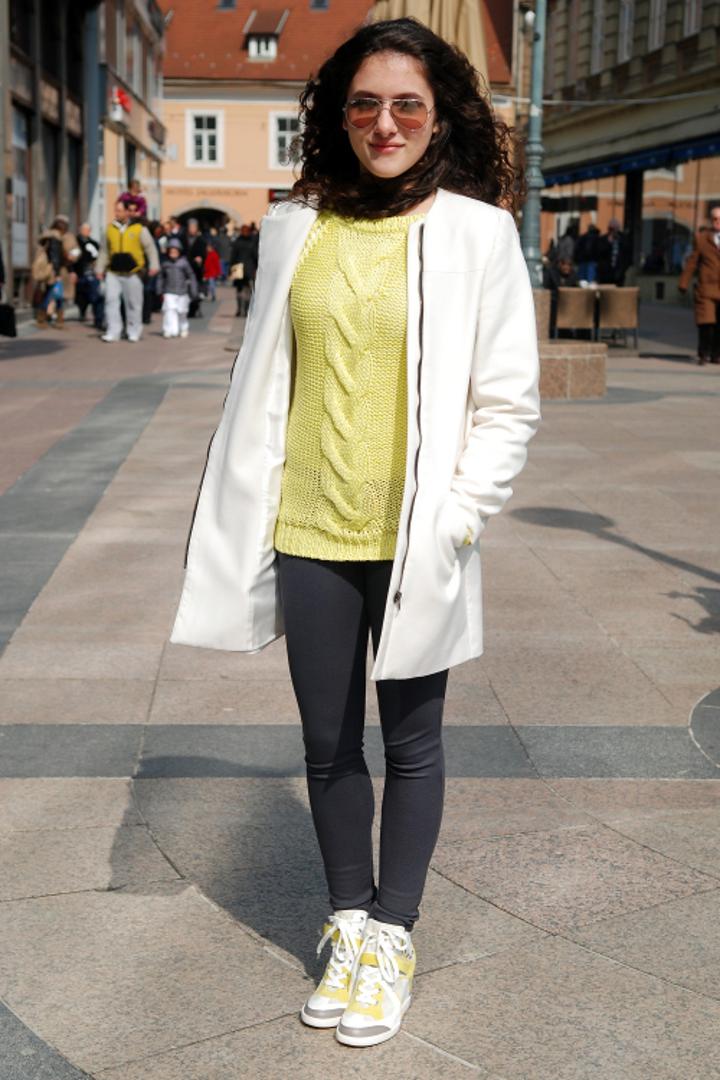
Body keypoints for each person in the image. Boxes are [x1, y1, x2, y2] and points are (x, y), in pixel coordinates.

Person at [169, 17, 540, 1048]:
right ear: (340, 116)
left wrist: (459, 516)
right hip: (310, 529)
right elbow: (264, 377)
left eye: (407, 104)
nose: (386, 123)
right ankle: (347, 923)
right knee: (328, 744)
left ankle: (394, 934)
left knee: (412, 743)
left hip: (418, 535)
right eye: (366, 104)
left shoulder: (477, 233)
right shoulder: (296, 225)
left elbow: (508, 402)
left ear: (441, 116)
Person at [97, 199, 159, 343]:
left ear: (126, 212)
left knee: (133, 303)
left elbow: (150, 248)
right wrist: (99, 268)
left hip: (133, 272)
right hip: (113, 272)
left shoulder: (139, 229)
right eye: (115, 210)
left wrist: (154, 265)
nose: (116, 213)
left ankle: (133, 331)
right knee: (111, 301)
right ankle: (113, 331)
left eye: (119, 210)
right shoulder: (109, 229)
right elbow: (104, 251)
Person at [678, 206, 720, 365]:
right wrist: (683, 283)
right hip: (706, 288)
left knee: (718, 325)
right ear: (710, 220)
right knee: (706, 322)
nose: (717, 222)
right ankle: (703, 354)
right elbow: (692, 263)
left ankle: (716, 355)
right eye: (714, 219)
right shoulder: (702, 239)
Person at [156, 237, 197, 338]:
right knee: (169, 310)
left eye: (175, 251)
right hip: (169, 291)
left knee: (182, 311)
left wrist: (193, 289)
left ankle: (183, 328)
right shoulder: (165, 263)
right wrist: (159, 289)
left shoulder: (184, 263)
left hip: (182, 292)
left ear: (179, 251)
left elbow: (191, 275)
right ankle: (168, 330)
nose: (173, 253)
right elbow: (160, 277)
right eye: (171, 251)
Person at [74, 223, 105, 330]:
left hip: (93, 273)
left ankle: (98, 319)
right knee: (81, 296)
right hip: (80, 272)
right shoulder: (76, 242)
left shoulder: (94, 243)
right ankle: (82, 312)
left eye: (87, 230)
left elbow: (99, 255)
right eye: (83, 229)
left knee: (96, 296)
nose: (85, 232)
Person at [543, 256, 580, 337]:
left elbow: (576, 288)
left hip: (569, 304)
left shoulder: (573, 275)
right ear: (560, 264)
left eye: (569, 265)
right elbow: (546, 288)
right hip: (554, 302)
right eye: (565, 265)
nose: (567, 267)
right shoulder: (551, 273)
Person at [229, 224, 258, 316]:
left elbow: (233, 256)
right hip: (249, 269)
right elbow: (255, 256)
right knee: (247, 290)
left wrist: (231, 268)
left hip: (238, 268)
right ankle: (246, 310)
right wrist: (256, 267)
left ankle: (239, 309)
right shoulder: (252, 242)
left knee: (239, 289)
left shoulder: (238, 242)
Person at [597, 217, 631, 285]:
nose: (613, 231)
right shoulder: (603, 239)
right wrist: (608, 242)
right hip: (605, 272)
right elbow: (599, 253)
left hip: (619, 271)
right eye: (611, 229)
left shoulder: (623, 239)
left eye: (615, 228)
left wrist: (624, 268)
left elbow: (627, 254)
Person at [185, 218, 206, 315]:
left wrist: (200, 258)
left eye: (194, 227)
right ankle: (188, 308)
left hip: (196, 269)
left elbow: (204, 254)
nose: (192, 229)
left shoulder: (201, 240)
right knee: (187, 289)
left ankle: (195, 307)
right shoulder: (183, 239)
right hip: (185, 268)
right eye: (191, 227)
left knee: (196, 289)